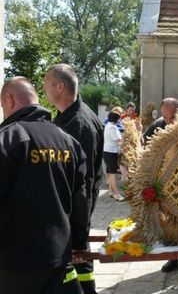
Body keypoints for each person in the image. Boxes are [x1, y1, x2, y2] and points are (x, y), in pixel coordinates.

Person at [0, 77, 88, 294]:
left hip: (15, 263)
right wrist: (78, 242)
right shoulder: (68, 141)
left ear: (9, 99)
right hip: (59, 257)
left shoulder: (7, 140)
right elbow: (81, 198)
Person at [44, 64, 104, 294]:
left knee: (77, 260)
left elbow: (84, 183)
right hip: (66, 210)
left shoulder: (80, 125)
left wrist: (79, 232)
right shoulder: (64, 118)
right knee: (74, 267)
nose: (43, 89)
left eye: (46, 83)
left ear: (60, 86)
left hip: (72, 212)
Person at [143, 98, 178, 276]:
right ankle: (174, 258)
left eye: (172, 117)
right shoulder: (157, 125)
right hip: (165, 182)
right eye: (165, 117)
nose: (168, 121)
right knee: (171, 220)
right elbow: (145, 145)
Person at [103, 108, 126, 201]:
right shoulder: (113, 128)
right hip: (111, 152)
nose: (120, 120)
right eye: (119, 118)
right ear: (116, 119)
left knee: (110, 172)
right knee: (113, 174)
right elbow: (119, 142)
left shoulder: (108, 125)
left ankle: (111, 192)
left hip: (107, 152)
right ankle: (117, 194)